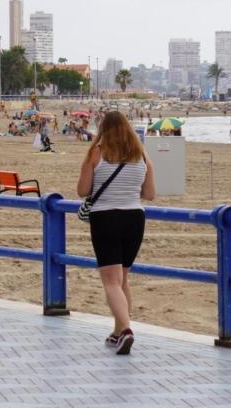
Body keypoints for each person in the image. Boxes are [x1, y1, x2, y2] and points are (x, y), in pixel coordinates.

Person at [76, 111, 155, 356]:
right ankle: (118, 331)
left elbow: (82, 190)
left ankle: (127, 330)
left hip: (105, 217)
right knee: (122, 279)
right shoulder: (141, 155)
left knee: (110, 281)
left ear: (103, 129)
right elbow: (149, 194)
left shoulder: (96, 153)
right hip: (134, 217)